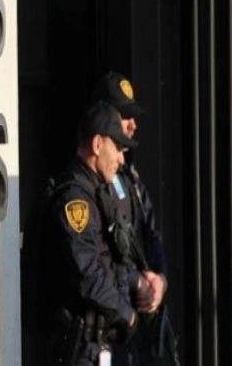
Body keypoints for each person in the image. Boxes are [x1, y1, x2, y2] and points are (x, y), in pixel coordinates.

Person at [45, 101, 148, 366]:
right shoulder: (75, 200)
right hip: (81, 350)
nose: (121, 159)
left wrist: (136, 289)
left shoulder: (100, 194)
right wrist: (126, 314)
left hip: (104, 345)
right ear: (97, 144)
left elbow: (114, 259)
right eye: (118, 149)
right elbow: (88, 274)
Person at [91, 72, 169, 364]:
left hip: (138, 329)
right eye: (125, 116)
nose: (132, 125)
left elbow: (151, 235)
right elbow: (99, 257)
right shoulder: (89, 185)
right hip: (111, 327)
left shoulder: (129, 179)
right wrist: (137, 282)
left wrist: (160, 281)